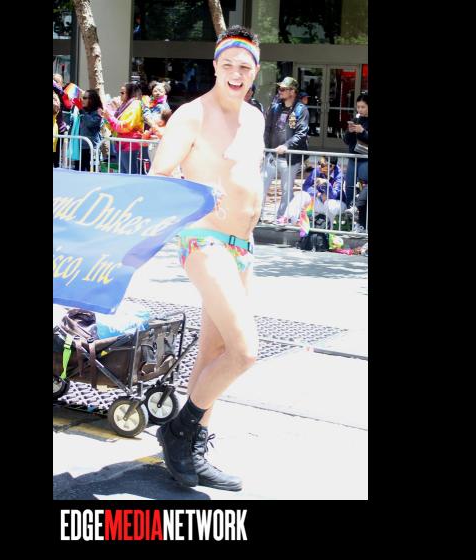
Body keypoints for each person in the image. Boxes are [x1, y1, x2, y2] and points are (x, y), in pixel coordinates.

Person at [148, 25, 264, 492]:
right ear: (215, 66)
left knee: (215, 353)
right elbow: (159, 175)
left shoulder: (254, 118)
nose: (236, 73)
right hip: (204, 240)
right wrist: (194, 191)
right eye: (228, 64)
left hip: (243, 247)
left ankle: (191, 449)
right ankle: (178, 431)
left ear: (255, 72)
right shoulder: (192, 115)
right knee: (245, 351)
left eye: (245, 67)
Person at [261, 77, 309, 224]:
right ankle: (256, 216)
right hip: (271, 155)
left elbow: (301, 133)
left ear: (292, 91)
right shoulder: (275, 107)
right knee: (261, 185)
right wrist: (265, 148)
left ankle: (281, 218)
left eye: (283, 89)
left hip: (289, 158)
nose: (279, 91)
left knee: (286, 190)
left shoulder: (301, 109)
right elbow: (267, 129)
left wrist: (286, 146)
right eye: (279, 89)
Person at [283, 157, 346, 228]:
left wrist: (326, 184)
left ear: (331, 166)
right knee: (302, 195)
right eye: (319, 163)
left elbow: (334, 195)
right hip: (321, 201)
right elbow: (305, 186)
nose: (319, 166)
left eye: (322, 165)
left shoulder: (339, 175)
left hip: (337, 204)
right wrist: (318, 194)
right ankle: (287, 220)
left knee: (329, 204)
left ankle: (329, 228)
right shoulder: (318, 170)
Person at [103, 82, 144, 174]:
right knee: (123, 173)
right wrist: (107, 117)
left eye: (122, 93)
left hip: (130, 144)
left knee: (130, 174)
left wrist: (109, 117)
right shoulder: (124, 105)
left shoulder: (135, 104)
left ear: (130, 93)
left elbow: (125, 126)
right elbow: (113, 127)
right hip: (121, 144)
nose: (120, 95)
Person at [343, 91, 368, 208]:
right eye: (358, 107)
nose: (360, 110)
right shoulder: (355, 119)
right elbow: (346, 140)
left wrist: (362, 132)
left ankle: (361, 213)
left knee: (363, 187)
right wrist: (350, 131)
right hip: (353, 158)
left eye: (363, 107)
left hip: (365, 159)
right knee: (349, 187)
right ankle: (350, 211)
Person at [71, 89, 104, 172]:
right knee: (78, 172)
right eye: (82, 97)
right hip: (80, 147)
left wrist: (81, 110)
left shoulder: (98, 111)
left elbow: (90, 123)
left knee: (91, 172)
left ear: (92, 100)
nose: (82, 100)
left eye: (85, 98)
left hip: (91, 148)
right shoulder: (84, 111)